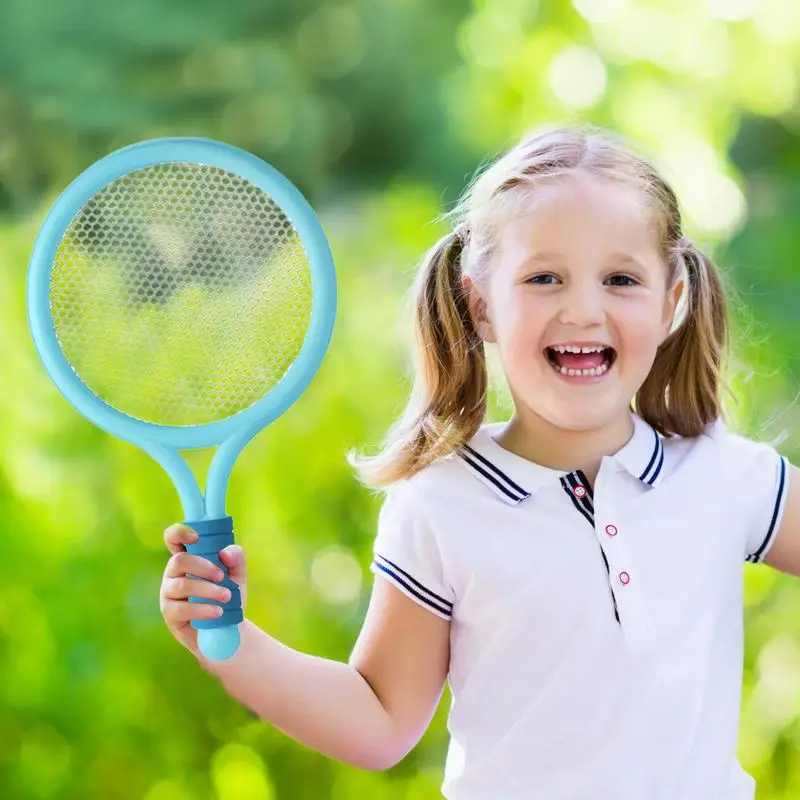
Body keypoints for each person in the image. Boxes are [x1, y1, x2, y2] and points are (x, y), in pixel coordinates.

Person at [159, 124, 800, 799]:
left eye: (620, 279)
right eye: (544, 278)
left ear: (671, 302)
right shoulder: (441, 502)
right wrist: (230, 643)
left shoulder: (727, 478)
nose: (583, 309)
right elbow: (379, 720)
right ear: (480, 304)